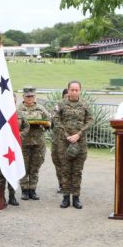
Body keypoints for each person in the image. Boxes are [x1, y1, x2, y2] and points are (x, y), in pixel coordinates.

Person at [53, 80, 94, 209]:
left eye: (77, 90)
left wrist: (79, 134)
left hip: (80, 142)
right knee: (65, 170)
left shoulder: (84, 104)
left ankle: (76, 197)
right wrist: (66, 135)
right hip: (64, 142)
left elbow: (91, 120)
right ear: (68, 90)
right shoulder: (60, 104)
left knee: (77, 171)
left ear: (80, 91)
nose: (74, 92)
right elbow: (56, 119)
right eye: (72, 89)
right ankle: (65, 198)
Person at [17, 87, 50, 200]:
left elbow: (49, 122)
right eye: (27, 96)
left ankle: (33, 190)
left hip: (38, 143)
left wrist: (46, 124)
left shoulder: (40, 108)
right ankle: (24, 190)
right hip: (24, 143)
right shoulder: (18, 109)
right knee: (24, 166)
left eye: (32, 96)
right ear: (23, 97)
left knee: (35, 167)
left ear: (34, 96)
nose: (30, 98)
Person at [50, 88, 68, 194]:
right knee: (58, 163)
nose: (67, 99)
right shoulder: (57, 107)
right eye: (65, 97)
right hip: (57, 141)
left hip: (69, 141)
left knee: (69, 163)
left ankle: (69, 185)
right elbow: (51, 121)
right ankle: (61, 185)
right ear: (62, 97)